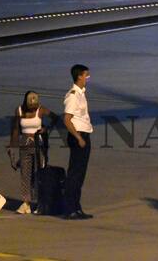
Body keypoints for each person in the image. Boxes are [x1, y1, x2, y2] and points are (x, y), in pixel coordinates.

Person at [9, 91, 58, 214]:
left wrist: (46, 129)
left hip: (38, 144)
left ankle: (41, 203)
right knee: (25, 174)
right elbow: (15, 129)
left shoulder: (40, 110)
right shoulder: (19, 111)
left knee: (39, 173)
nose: (33, 108)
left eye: (35, 105)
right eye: (31, 106)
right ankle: (26, 203)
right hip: (25, 143)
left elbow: (55, 117)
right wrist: (12, 147)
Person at [63, 64, 94, 220]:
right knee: (74, 174)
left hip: (84, 135)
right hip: (78, 137)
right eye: (86, 75)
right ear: (79, 76)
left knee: (80, 174)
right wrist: (79, 138)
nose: (88, 77)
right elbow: (67, 120)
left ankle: (76, 207)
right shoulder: (73, 95)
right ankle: (70, 208)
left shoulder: (81, 94)